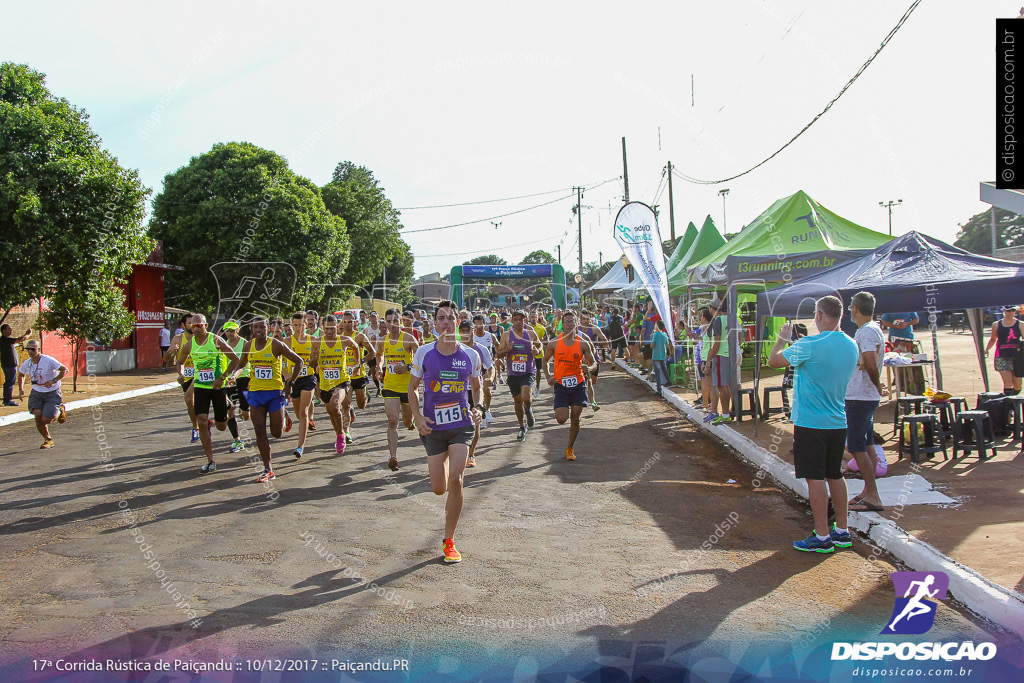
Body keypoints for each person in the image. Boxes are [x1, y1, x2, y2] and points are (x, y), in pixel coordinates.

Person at [768, 295, 859, 554]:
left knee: (815, 478)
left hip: (811, 422)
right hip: (837, 420)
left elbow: (774, 361)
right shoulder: (851, 345)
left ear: (819, 315)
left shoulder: (810, 343)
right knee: (835, 474)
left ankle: (821, 534)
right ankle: (842, 530)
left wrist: (782, 340)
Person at [408, 300, 483, 563]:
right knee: (439, 488)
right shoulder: (424, 353)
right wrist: (417, 416)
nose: (446, 322)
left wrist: (479, 407)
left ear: (457, 322)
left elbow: (476, 386)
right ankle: (447, 463)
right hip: (433, 426)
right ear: (434, 323)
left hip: (461, 425)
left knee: (456, 481)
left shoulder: (470, 355)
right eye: (441, 318)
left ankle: (449, 540)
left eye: (451, 318)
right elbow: (412, 387)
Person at [225, 316, 304, 482]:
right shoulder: (248, 345)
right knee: (259, 429)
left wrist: (290, 384)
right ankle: (268, 469)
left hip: (274, 393)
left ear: (268, 328)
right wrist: (234, 375)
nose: (259, 330)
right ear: (252, 329)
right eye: (256, 328)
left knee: (276, 434)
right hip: (255, 394)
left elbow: (299, 361)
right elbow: (241, 364)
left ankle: (283, 415)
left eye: (262, 327)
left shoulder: (275, 344)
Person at [177, 314, 242, 472]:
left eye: (199, 325)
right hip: (200, 387)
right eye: (193, 326)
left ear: (206, 325)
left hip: (218, 388)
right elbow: (180, 361)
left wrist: (222, 377)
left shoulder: (215, 341)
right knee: (201, 421)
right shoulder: (190, 344)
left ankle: (225, 409)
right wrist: (180, 374)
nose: (196, 328)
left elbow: (234, 359)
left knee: (221, 426)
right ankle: (210, 461)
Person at [845, 292, 887, 513]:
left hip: (861, 396)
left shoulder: (868, 331)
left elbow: (870, 362)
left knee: (856, 446)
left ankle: (873, 494)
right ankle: (868, 490)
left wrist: (876, 384)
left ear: (854, 308)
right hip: (861, 395)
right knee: (867, 443)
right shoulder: (868, 329)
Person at [543, 310, 598, 461]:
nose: (568, 325)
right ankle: (561, 408)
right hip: (561, 384)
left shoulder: (583, 343)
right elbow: (545, 360)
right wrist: (548, 376)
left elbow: (593, 362)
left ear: (576, 324)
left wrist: (590, 368)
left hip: (578, 383)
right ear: (562, 324)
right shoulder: (554, 342)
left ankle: (570, 448)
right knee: (561, 419)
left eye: (571, 322)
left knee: (575, 417)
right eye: (565, 322)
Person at [375, 307, 419, 471]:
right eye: (388, 321)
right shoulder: (382, 340)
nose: (392, 324)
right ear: (384, 323)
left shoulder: (409, 339)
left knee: (407, 423)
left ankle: (411, 422)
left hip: (407, 387)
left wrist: (407, 366)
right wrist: (380, 368)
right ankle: (393, 456)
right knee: (393, 420)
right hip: (390, 385)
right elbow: (379, 355)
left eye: (395, 321)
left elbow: (421, 361)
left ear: (400, 322)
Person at [494, 309, 542, 442]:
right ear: (512, 321)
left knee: (526, 397)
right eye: (516, 319)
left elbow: (540, 345)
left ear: (524, 320)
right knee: (517, 402)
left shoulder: (531, 333)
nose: (518, 322)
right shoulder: (506, 335)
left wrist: (537, 350)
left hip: (528, 371)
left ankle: (529, 409)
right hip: (513, 374)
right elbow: (498, 353)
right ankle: (522, 426)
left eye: (521, 319)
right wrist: (507, 350)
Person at [317, 314, 359, 454]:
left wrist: (357, 364)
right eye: (327, 329)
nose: (329, 332)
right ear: (322, 328)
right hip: (325, 383)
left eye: (332, 329)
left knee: (335, 405)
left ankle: (342, 434)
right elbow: (311, 362)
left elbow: (356, 348)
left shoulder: (344, 340)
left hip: (342, 380)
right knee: (332, 411)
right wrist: (315, 362)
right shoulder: (317, 342)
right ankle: (338, 433)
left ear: (338, 327)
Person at [16, 339, 67, 448]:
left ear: (38, 349)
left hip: (52, 392)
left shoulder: (48, 360)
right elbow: (21, 374)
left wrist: (53, 381)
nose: (30, 351)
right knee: (37, 415)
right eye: (28, 349)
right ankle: (48, 439)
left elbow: (64, 370)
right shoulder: (28, 363)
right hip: (37, 392)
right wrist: (21, 389)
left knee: (46, 419)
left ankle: (60, 409)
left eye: (32, 349)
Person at [459, 320, 494, 467]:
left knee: (475, 424)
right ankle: (458, 452)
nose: (466, 333)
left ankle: (471, 454)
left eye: (468, 330)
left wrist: (490, 379)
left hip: (474, 390)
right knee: (458, 425)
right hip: (458, 391)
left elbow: (490, 367)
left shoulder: (481, 349)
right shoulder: (454, 349)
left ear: (474, 331)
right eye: (463, 330)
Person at [287, 311, 320, 458]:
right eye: (295, 325)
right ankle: (301, 423)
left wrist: (318, 365)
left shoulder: (313, 339)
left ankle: (300, 446)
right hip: (294, 380)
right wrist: (286, 375)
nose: (298, 328)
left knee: (304, 412)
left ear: (306, 325)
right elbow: (279, 361)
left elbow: (319, 359)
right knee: (299, 415)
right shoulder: (287, 341)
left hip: (308, 378)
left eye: (301, 325)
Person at [340, 310, 377, 439]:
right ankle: (346, 432)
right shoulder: (339, 337)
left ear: (355, 322)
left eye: (349, 321)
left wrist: (360, 361)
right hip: (345, 376)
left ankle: (365, 393)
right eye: (344, 321)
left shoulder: (360, 336)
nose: (347, 324)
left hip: (359, 375)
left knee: (362, 405)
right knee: (346, 404)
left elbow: (372, 353)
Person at [163, 313, 200, 443]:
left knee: (191, 399)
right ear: (183, 325)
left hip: (200, 375)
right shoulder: (178, 339)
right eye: (190, 323)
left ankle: (200, 426)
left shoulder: (202, 338)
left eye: (195, 323)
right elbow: (166, 360)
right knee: (190, 403)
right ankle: (196, 427)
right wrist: (171, 352)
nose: (193, 326)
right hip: (186, 377)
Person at [703, 298, 734, 425]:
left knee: (721, 387)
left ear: (712, 308)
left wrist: (709, 360)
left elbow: (717, 343)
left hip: (720, 355)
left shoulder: (718, 321)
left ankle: (725, 414)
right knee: (726, 386)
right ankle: (726, 413)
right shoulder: (731, 319)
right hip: (729, 354)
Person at [985, 304, 1022, 396]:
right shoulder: (996, 325)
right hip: (1002, 355)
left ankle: (1012, 400)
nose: (1010, 313)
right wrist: (987, 349)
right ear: (1004, 311)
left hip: (1016, 356)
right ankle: (1008, 405)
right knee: (1008, 383)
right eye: (1008, 311)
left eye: (1012, 311)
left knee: (1018, 385)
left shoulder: (1021, 325)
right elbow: (993, 338)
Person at [221, 321, 250, 431]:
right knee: (229, 409)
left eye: (231, 331)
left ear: (237, 330)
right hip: (229, 380)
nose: (229, 333)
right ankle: (237, 438)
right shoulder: (224, 345)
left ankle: (245, 409)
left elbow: (251, 362)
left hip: (244, 377)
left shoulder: (245, 343)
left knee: (245, 415)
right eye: (227, 331)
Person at [471, 315, 499, 423]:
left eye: (480, 324)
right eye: (476, 324)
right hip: (475, 367)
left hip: (487, 366)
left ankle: (487, 410)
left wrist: (496, 357)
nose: (479, 326)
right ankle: (479, 411)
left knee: (486, 389)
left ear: (484, 324)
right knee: (476, 390)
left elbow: (497, 345)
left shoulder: (490, 336)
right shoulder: (472, 337)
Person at [578, 311, 608, 411]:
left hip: (593, 359)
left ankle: (587, 395)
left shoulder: (595, 329)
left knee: (593, 381)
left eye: (588, 319)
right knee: (589, 381)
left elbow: (605, 341)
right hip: (581, 360)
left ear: (591, 319)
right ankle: (593, 403)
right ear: (580, 319)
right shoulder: (576, 330)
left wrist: (594, 343)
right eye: (584, 319)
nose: (586, 321)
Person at [2, 324, 32, 405]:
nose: (11, 330)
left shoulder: (6, 340)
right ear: (3, 331)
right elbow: (20, 339)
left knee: (9, 382)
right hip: (9, 365)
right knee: (10, 382)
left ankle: (7, 399)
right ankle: (7, 400)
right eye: (9, 329)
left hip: (9, 364)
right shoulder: (5, 339)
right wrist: (28, 334)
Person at [650, 319, 675, 396]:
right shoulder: (664, 335)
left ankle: (659, 391)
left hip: (656, 355)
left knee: (657, 372)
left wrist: (651, 337)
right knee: (664, 369)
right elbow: (667, 345)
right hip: (663, 355)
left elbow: (652, 346)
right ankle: (668, 381)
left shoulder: (655, 335)